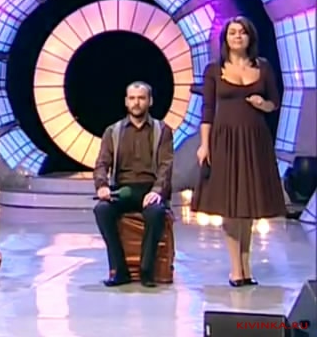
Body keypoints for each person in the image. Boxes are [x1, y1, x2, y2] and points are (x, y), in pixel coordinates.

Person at [191, 16, 285, 287]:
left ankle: (246, 266)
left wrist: (262, 104)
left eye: (242, 32)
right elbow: (207, 110)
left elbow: (275, 102)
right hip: (225, 140)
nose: (237, 36)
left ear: (250, 37)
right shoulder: (214, 70)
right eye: (232, 32)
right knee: (230, 205)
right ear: (225, 39)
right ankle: (236, 269)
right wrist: (205, 144)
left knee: (248, 205)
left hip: (255, 140)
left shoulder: (263, 67)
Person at [92, 81, 174, 288]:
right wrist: (102, 185)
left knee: (155, 212)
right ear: (126, 102)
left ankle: (147, 270)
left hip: (150, 189)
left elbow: (166, 165)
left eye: (141, 98)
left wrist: (157, 191)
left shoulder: (162, 130)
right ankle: (119, 270)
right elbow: (101, 163)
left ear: (150, 101)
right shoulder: (113, 131)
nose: (137, 103)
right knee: (102, 210)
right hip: (123, 190)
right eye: (132, 98)